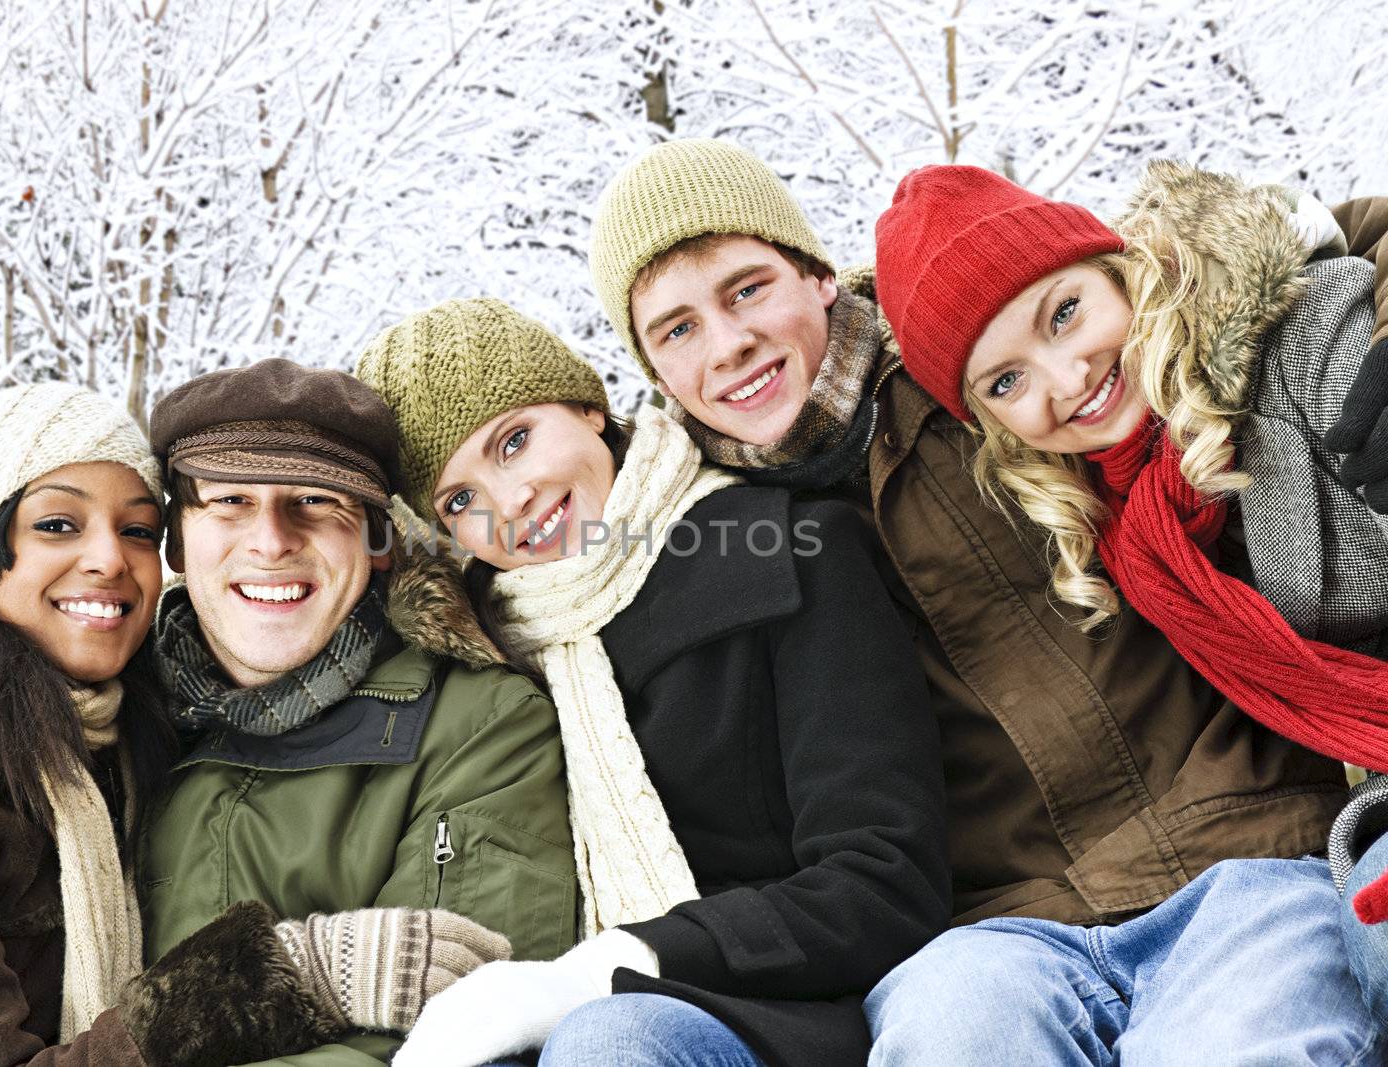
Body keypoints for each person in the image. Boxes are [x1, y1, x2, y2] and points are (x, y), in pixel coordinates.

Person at [589, 139, 1387, 1062]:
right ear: (652, 371)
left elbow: (1267, 262)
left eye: (746, 289)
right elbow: (512, 544)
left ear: (814, 276)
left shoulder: (972, 353)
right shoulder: (705, 532)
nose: (728, 345)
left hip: (1235, 847)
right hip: (994, 932)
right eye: (676, 329)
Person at [355, 298, 948, 1067]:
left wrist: (609, 969)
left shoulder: (786, 550)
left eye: (515, 442)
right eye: (459, 500)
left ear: (587, 409)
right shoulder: (485, 652)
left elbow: (887, 878)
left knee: (609, 1042)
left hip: (793, 1015)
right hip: (553, 1024)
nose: (510, 504)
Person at [874, 161, 1388, 1031]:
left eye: (1064, 313)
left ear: (1118, 268)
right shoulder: (1124, 527)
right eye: (1005, 382)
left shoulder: (1294, 344)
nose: (1064, 377)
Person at [0, 383, 340, 1066]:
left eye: (138, 530)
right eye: (58, 525)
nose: (111, 559)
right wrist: (275, 980)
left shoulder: (123, 736)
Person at [138, 358, 578, 1065]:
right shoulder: (104, 725)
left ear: (376, 541)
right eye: (229, 501)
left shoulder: (483, 728)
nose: (272, 540)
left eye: (316, 501)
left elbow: (457, 1043)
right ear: (177, 542)